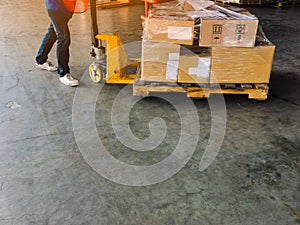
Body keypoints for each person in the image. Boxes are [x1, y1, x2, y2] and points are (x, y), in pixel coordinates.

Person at [35, 0, 79, 87]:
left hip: (67, 6)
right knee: (63, 37)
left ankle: (41, 60)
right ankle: (63, 73)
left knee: (53, 32)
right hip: (55, 6)